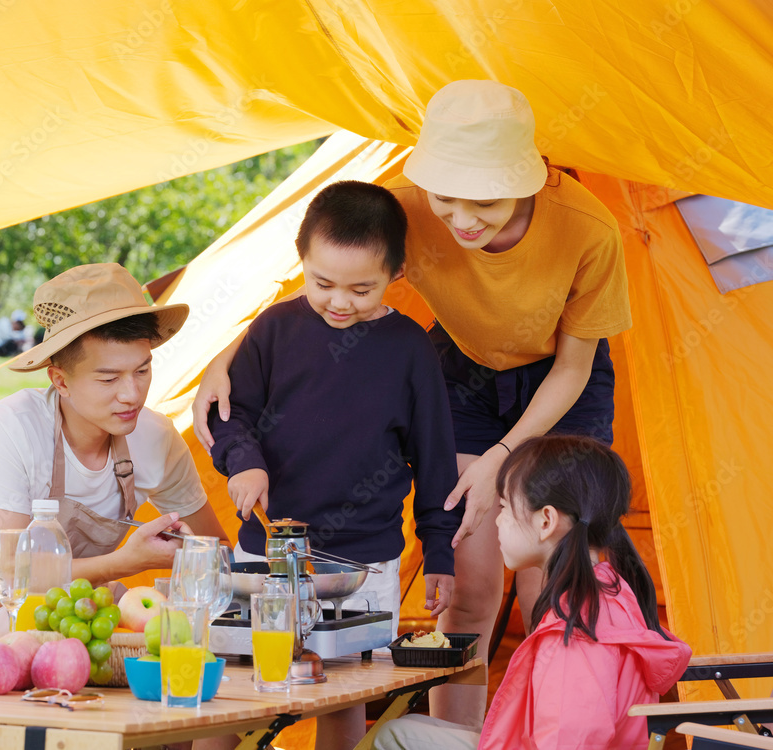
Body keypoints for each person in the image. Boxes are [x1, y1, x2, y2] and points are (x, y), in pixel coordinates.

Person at [193, 79, 633, 726]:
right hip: (461, 373)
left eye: (482, 201)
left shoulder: (589, 232)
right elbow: (315, 284)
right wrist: (220, 361)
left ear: (528, 179)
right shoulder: (399, 209)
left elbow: (573, 368)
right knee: (475, 585)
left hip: (562, 391)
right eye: (445, 197)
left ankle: (558, 733)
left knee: (554, 582)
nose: (460, 218)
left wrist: (505, 457)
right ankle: (457, 740)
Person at [207, 181, 460, 750]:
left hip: (364, 563)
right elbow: (230, 412)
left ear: (396, 273)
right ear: (300, 259)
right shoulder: (274, 329)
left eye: (361, 289)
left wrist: (439, 552)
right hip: (266, 554)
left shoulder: (411, 350)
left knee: (345, 696)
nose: (339, 302)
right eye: (322, 283)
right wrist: (244, 463)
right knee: (238, 686)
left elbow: (437, 462)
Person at [0, 263, 228, 650]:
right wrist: (124, 563)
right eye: (108, 379)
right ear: (60, 380)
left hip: (85, 632)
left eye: (142, 370)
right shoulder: (11, 427)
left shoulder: (156, 437)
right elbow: (5, 577)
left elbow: (217, 552)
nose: (131, 395)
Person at [372, 436, 691, 750]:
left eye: (506, 508)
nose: (497, 520)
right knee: (402, 730)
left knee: (390, 737)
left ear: (546, 521)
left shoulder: (575, 633)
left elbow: (570, 739)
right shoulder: (610, 594)